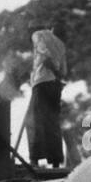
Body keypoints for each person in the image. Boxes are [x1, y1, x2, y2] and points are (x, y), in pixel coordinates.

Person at [27, 22, 67, 168]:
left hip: (42, 82)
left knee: (33, 121)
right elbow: (64, 72)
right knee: (53, 122)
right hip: (55, 86)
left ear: (50, 28)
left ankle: (34, 160)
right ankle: (55, 161)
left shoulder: (39, 35)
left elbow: (45, 56)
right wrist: (57, 73)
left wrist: (52, 69)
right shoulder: (62, 45)